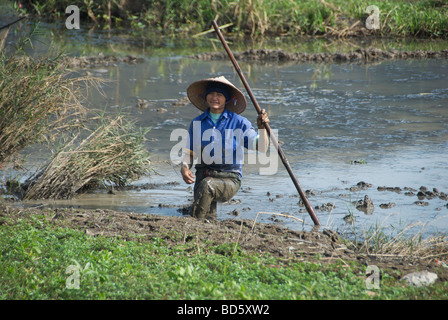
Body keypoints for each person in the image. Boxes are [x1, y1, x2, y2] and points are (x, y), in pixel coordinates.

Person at [180, 76, 269, 221]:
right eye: (211, 94)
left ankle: (193, 227)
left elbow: (262, 147)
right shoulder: (197, 122)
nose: (214, 97)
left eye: (219, 94)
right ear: (205, 97)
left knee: (205, 194)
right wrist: (184, 168)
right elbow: (189, 152)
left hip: (229, 178)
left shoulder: (239, 123)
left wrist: (262, 129)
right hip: (203, 176)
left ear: (226, 99)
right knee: (209, 217)